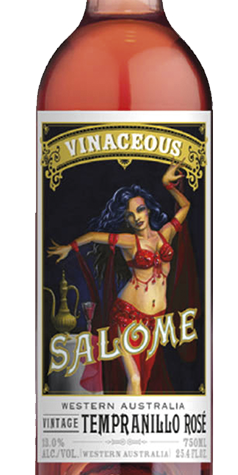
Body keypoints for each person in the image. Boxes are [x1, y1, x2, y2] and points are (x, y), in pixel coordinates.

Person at [48, 163, 189, 394]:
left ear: (148, 210)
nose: (137, 217)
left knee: (144, 378)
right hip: (127, 316)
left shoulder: (166, 234)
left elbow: (185, 206)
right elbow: (94, 236)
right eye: (130, 215)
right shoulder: (129, 241)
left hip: (156, 320)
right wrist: (69, 247)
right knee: (134, 378)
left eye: (140, 210)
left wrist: (168, 185)